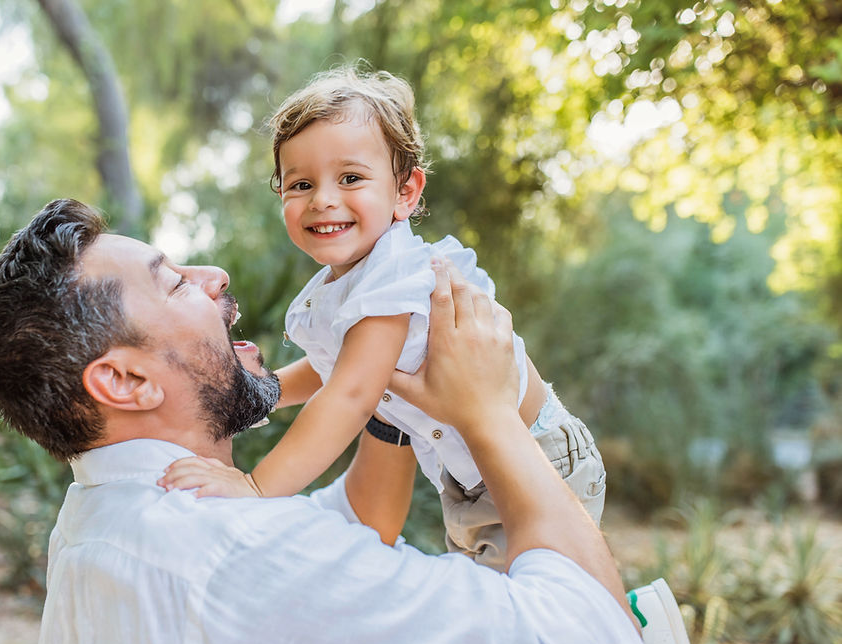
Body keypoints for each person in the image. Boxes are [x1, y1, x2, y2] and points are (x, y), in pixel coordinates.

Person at [0, 198, 656, 644]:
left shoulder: (100, 523)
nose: (214, 276)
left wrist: (392, 380)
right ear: (126, 381)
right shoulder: (238, 550)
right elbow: (594, 636)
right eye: (175, 282)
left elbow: (354, 525)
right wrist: (487, 414)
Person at [160, 66, 605, 573]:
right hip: (471, 474)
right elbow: (337, 367)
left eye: (350, 178)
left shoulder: (396, 275)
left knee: (542, 611)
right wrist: (268, 394)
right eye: (300, 183)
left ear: (405, 193)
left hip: (539, 457)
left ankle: (634, 628)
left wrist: (257, 487)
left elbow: (351, 393)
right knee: (516, 604)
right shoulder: (349, 280)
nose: (323, 198)